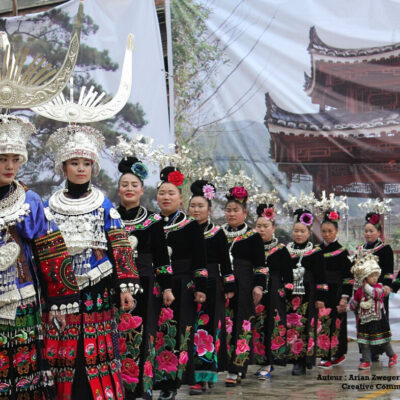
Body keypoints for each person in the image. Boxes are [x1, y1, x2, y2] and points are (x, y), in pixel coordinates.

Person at [45, 125, 140, 400]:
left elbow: (120, 247)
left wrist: (125, 287)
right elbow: (46, 255)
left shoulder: (104, 205)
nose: (80, 169)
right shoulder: (50, 207)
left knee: (98, 354)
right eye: (74, 163)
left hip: (98, 292)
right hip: (63, 293)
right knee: (65, 354)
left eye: (86, 163)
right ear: (64, 167)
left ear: (93, 167)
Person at [0, 115, 80, 400]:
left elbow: (50, 247)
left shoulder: (29, 200)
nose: (10, 166)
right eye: (3, 159)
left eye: (15, 159)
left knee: (23, 361)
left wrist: (60, 295)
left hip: (20, 293)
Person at [116, 156, 174, 400]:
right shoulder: (109, 217)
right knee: (118, 335)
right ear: (118, 189)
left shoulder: (153, 221)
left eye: (134, 185)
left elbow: (162, 259)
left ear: (141, 189)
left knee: (145, 334)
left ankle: (144, 388)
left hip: (147, 282)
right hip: (116, 284)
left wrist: (168, 288)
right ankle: (119, 387)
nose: (129, 189)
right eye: (124, 184)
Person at [154, 167, 207, 400]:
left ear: (180, 198)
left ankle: (171, 383)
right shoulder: (150, 223)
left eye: (171, 193)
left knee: (175, 332)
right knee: (153, 331)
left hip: (182, 285)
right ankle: (150, 379)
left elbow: (200, 260)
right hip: (154, 284)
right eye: (162, 193)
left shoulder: (191, 226)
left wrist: (201, 288)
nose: (166, 197)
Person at [187, 180, 235, 395]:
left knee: (205, 331)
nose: (196, 210)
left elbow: (226, 262)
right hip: (188, 284)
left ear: (209, 209)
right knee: (188, 330)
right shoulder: (182, 230)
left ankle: (202, 377)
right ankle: (186, 374)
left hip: (212, 285)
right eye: (193, 206)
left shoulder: (217, 233)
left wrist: (229, 285)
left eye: (201, 206)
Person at [222, 186, 265, 387]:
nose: (231, 214)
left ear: (245, 213)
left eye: (235, 210)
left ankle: (237, 368)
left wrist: (259, 287)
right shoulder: (217, 234)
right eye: (228, 210)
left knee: (242, 325)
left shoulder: (253, 236)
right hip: (222, 284)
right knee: (223, 324)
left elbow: (261, 266)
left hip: (245, 284)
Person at [284, 207, 328, 376]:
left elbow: (321, 277)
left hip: (309, 295)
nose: (299, 234)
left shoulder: (316, 253)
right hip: (290, 295)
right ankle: (292, 359)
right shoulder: (286, 251)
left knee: (305, 328)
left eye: (302, 231)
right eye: (296, 231)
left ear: (309, 233)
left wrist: (321, 297)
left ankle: (302, 361)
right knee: (291, 327)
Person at [253, 202, 293, 379]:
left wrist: (286, 293)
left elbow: (288, 275)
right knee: (258, 326)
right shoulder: (252, 248)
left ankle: (270, 362)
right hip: (257, 292)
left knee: (273, 326)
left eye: (266, 226)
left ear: (273, 227)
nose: (262, 229)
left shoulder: (282, 250)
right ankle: (261, 361)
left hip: (276, 292)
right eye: (259, 226)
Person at [338, 254, 397, 370]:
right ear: (364, 277)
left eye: (376, 275)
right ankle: (366, 361)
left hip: (378, 319)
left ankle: (392, 355)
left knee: (383, 340)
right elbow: (354, 304)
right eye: (371, 276)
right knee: (364, 342)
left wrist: (366, 286)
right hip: (364, 320)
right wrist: (345, 308)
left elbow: (376, 295)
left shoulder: (379, 287)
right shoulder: (359, 291)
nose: (375, 278)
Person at [317, 210, 353, 369]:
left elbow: (348, 277)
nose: (326, 234)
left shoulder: (343, 252)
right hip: (321, 292)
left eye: (330, 231)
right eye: (323, 231)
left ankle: (337, 354)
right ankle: (324, 354)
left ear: (336, 231)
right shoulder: (317, 250)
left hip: (337, 292)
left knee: (336, 324)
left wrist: (344, 297)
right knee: (322, 323)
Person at [356, 211, 393, 362]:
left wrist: (387, 286)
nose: (368, 234)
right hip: (363, 291)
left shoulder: (385, 249)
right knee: (363, 321)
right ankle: (365, 352)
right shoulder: (360, 250)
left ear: (379, 232)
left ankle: (376, 351)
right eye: (366, 231)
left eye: (371, 231)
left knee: (377, 322)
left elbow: (389, 271)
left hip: (378, 291)